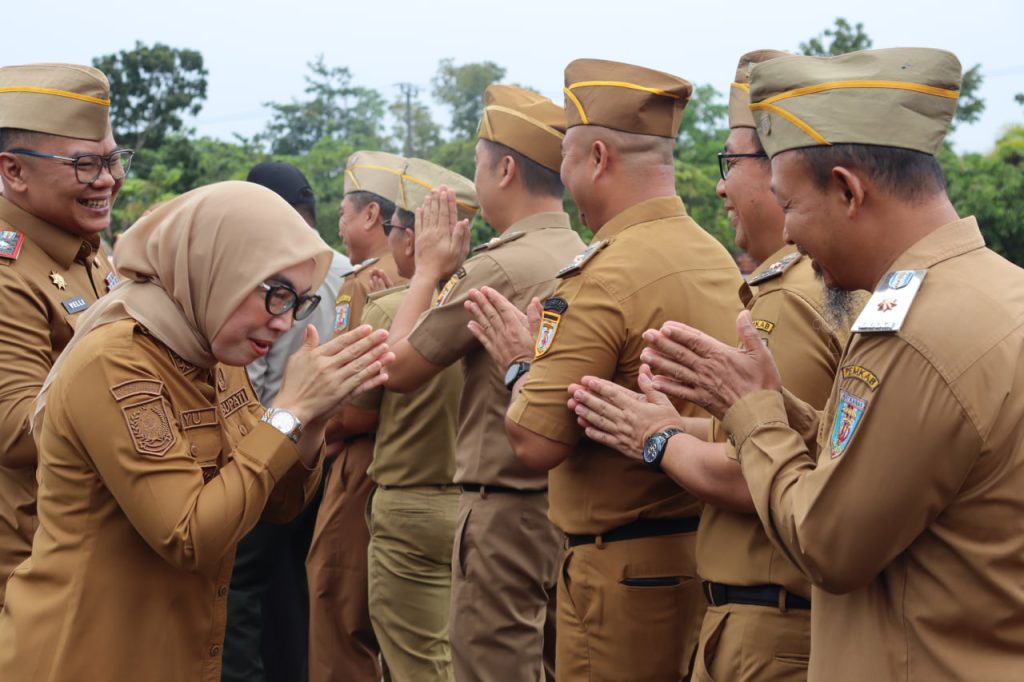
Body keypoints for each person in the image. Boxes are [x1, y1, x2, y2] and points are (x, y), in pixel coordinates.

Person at [637, 48, 1024, 681]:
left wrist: (751, 414)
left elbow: (828, 542)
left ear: (847, 189)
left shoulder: (917, 334)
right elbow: (902, 462)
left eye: (789, 206)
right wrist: (774, 403)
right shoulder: (996, 291)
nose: (787, 236)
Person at [0, 181, 392, 681]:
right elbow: (187, 535)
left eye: (300, 303)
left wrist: (312, 421)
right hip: (86, 652)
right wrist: (288, 412)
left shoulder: (212, 350)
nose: (284, 321)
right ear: (219, 271)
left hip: (176, 647)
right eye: (276, 295)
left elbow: (278, 505)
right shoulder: (119, 361)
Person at [558, 49, 854, 682]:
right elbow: (785, 435)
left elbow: (766, 471)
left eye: (733, 163)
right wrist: (681, 426)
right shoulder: (788, 287)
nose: (720, 185)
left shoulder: (793, 299)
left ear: (784, 169)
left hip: (773, 623)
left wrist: (656, 438)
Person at [498, 59, 743, 681]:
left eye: (566, 161)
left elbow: (535, 441)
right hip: (709, 556)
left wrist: (519, 366)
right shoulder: (713, 255)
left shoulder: (602, 273)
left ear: (598, 157)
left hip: (622, 577)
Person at [379, 85, 584, 681]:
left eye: (477, 165)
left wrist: (428, 271)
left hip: (502, 513)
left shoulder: (498, 265)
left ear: (507, 169)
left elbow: (397, 368)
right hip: (564, 507)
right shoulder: (585, 252)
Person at [341, 158, 474, 680]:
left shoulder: (385, 309)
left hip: (409, 503)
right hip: (473, 503)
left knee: (415, 661)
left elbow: (354, 413)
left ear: (415, 239)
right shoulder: (489, 296)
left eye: (395, 229)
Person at [221, 161, 352, 682]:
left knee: (240, 587)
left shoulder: (264, 269)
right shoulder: (345, 269)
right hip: (321, 455)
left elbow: (246, 376)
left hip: (266, 449)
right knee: (291, 587)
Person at [0, 63, 122, 604]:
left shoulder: (91, 255)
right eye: (85, 164)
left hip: (89, 548)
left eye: (113, 160)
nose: (107, 180)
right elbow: (15, 430)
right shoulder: (8, 272)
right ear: (14, 171)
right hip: (31, 564)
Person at [306, 149, 407, 682]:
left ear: (371, 216)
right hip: (416, 466)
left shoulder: (363, 285)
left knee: (336, 604)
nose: (339, 227)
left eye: (344, 214)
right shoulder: (437, 278)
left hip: (362, 464)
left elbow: (347, 404)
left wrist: (310, 428)